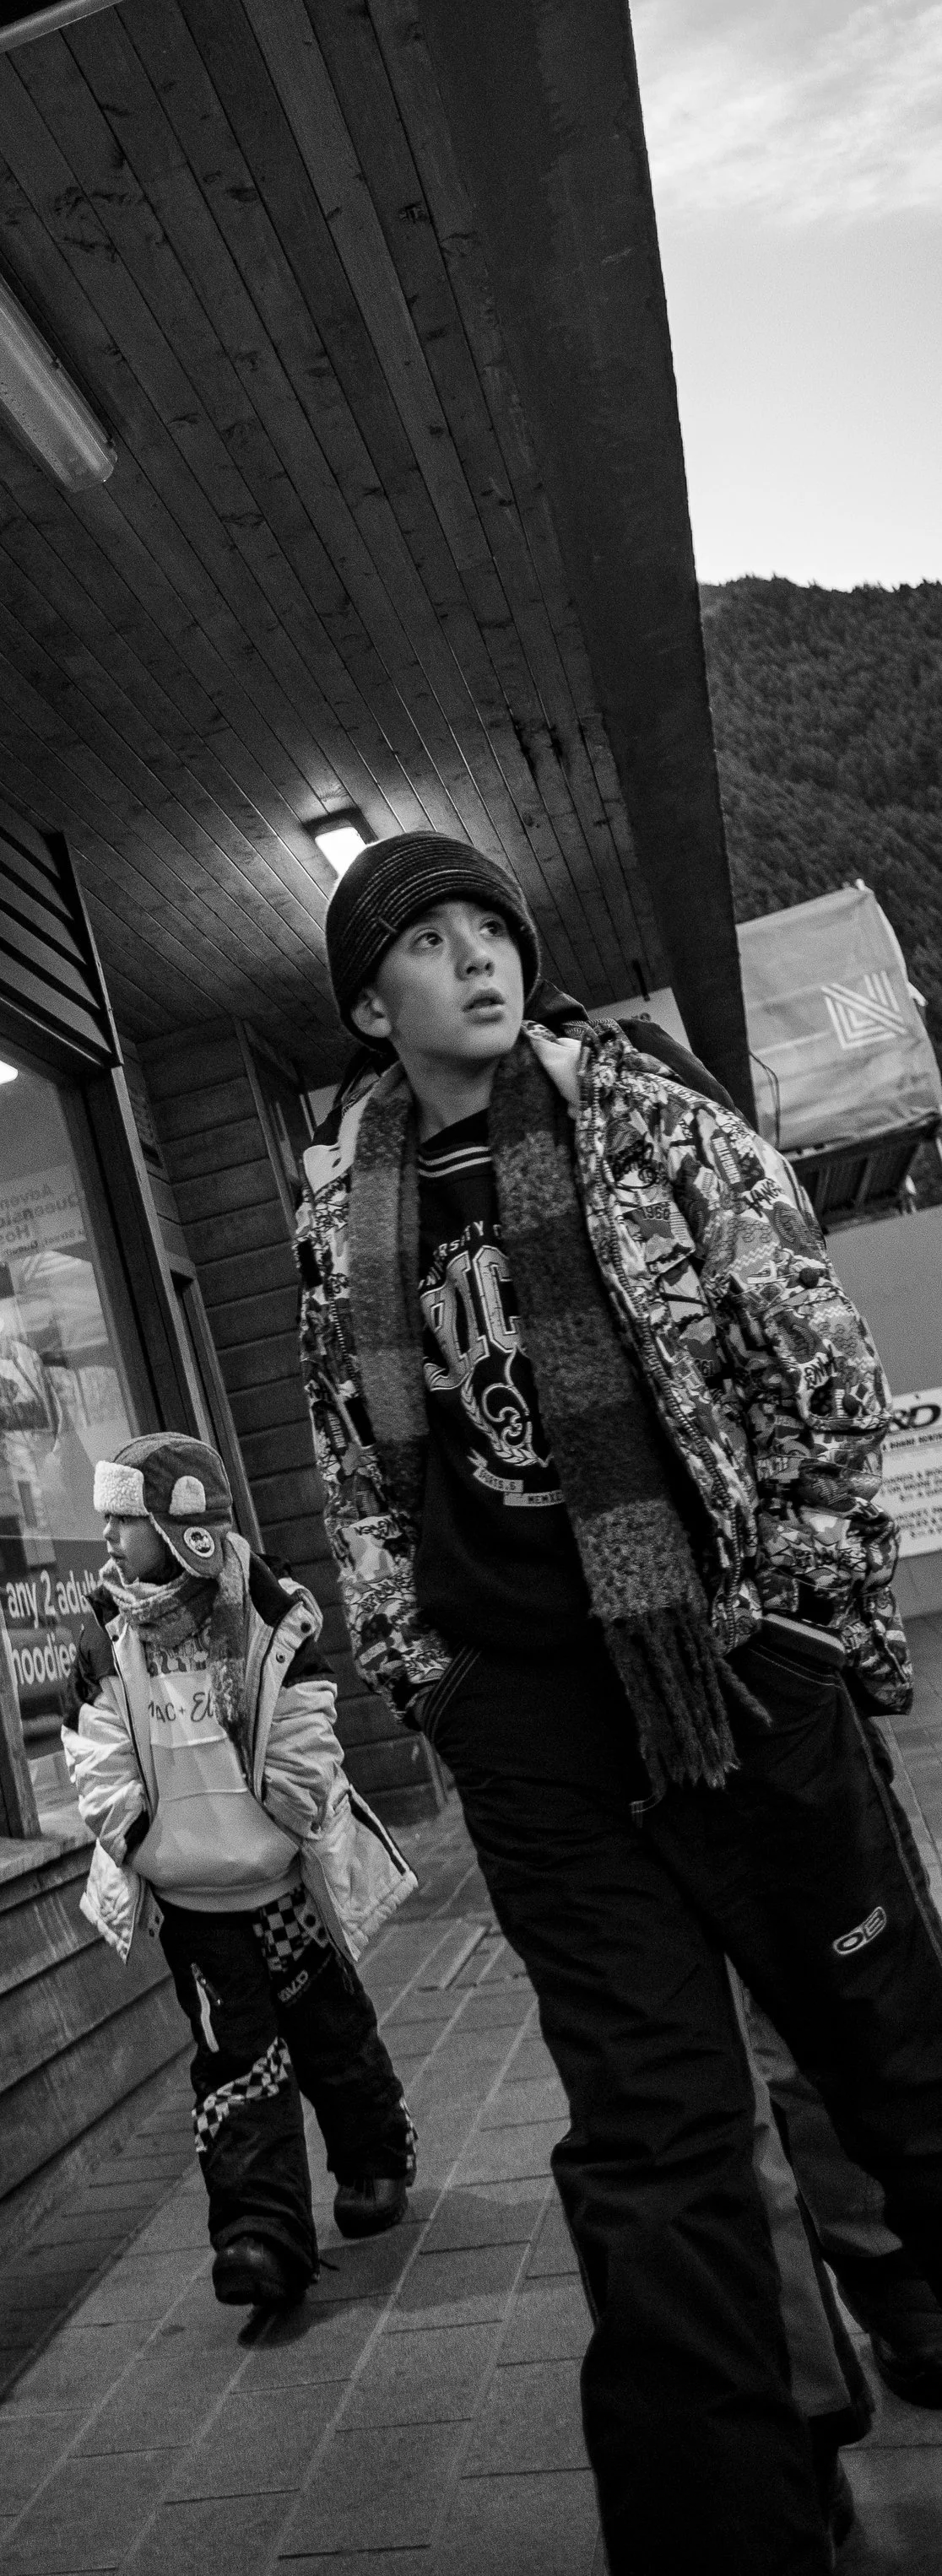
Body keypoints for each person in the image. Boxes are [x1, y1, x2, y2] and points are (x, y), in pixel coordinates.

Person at [296, 829, 942, 2576]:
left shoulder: (639, 1116)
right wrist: (421, 1674)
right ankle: (731, 2534)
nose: (475, 961)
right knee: (652, 2137)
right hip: (530, 1730)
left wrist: (799, 1613)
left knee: (888, 2059)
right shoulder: (334, 1200)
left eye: (487, 929)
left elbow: (804, 1350)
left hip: (728, 1666)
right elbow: (353, 1471)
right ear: (373, 1001)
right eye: (426, 944)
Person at [62, 1432, 417, 2314]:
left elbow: (305, 1718)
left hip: (282, 1886)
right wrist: (134, 1835)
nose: (107, 1540)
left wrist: (287, 1812)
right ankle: (260, 2237)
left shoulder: (265, 1607)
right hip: (191, 1905)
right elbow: (92, 1752)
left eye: (122, 1521)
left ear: (176, 1524)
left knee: (331, 2034)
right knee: (234, 2064)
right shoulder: (104, 1636)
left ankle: (374, 2160)